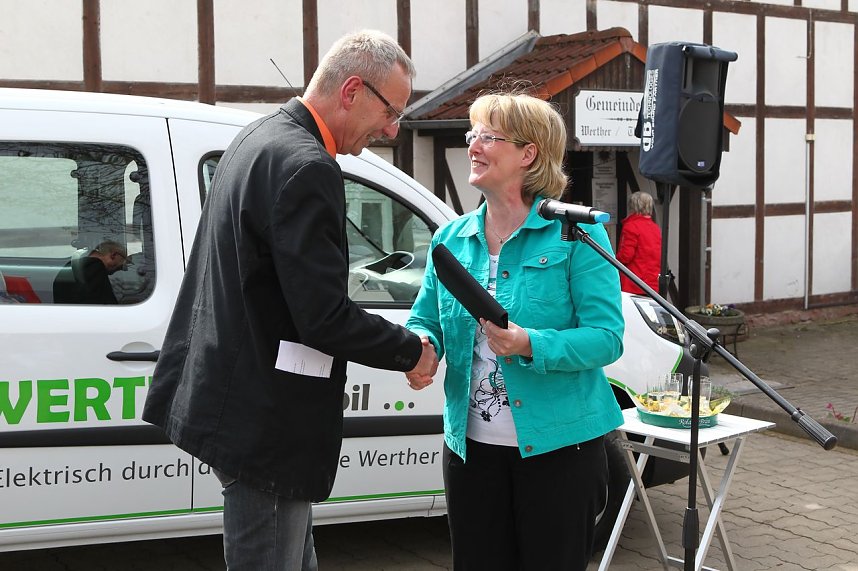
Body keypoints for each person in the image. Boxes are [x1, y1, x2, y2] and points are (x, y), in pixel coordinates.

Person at [142, 30, 438, 571]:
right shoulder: (307, 166)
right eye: (392, 111)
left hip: (241, 404)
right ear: (352, 90)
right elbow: (323, 316)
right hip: (266, 422)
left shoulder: (259, 136)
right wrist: (410, 351)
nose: (393, 129)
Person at [405, 92, 625, 570]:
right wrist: (423, 346)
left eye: (488, 136)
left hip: (561, 451)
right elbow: (427, 318)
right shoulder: (450, 239)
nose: (473, 146)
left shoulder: (577, 236)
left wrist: (532, 343)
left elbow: (607, 337)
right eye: (471, 135)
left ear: (529, 154)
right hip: (471, 450)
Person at [52, 240, 128, 304]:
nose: (122, 268)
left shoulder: (71, 266)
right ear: (114, 255)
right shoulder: (95, 266)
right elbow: (104, 302)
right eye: (123, 261)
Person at [616, 190, 662, 294]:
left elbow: (626, 256)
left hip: (633, 282)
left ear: (633, 206)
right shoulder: (655, 228)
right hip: (652, 283)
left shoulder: (631, 226)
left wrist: (614, 259)